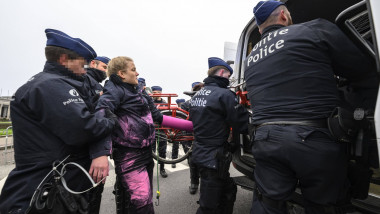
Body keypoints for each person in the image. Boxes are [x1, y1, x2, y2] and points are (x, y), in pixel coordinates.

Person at [244, 1, 378, 213]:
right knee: (323, 205)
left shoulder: (250, 58)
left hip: (265, 139)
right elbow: (363, 68)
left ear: (260, 28)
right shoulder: (313, 29)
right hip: (314, 140)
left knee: (267, 204)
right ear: (283, 16)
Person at [0, 29, 117, 214]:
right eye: (83, 64)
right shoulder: (50, 86)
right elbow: (84, 128)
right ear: (64, 59)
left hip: (60, 182)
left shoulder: (58, 82)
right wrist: (110, 118)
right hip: (48, 187)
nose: (86, 69)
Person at [95, 56, 164, 214]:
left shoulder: (137, 90)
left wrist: (193, 126)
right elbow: (100, 116)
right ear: (121, 74)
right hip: (129, 157)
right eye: (133, 70)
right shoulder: (114, 90)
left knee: (139, 202)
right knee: (143, 203)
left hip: (146, 153)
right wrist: (100, 153)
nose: (137, 73)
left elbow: (157, 116)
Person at [189, 57, 249, 213]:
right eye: (229, 76)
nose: (229, 80)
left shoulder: (198, 95)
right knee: (208, 206)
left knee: (229, 190)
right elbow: (242, 122)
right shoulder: (224, 95)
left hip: (201, 153)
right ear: (222, 72)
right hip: (213, 158)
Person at [83, 55, 111, 214]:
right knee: (88, 197)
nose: (106, 72)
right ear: (93, 63)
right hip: (88, 152)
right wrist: (99, 153)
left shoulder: (97, 85)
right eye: (104, 67)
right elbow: (92, 118)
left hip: (93, 150)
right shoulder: (85, 81)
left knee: (94, 194)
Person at [151, 85, 169, 178]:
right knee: (151, 151)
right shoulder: (150, 102)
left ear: (161, 93)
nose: (155, 94)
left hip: (162, 129)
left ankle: (162, 168)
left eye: (157, 92)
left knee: (162, 151)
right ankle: (150, 169)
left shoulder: (165, 103)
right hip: (152, 129)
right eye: (154, 92)